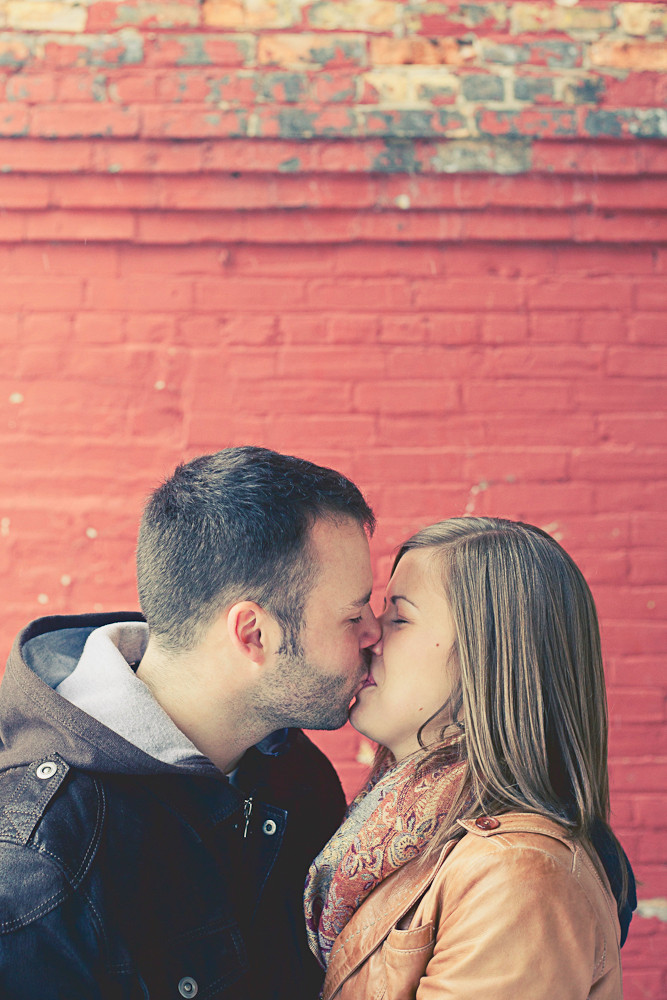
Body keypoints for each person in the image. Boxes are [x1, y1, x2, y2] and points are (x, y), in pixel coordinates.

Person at [0, 446, 381, 1000]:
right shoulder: (41, 866)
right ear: (253, 634)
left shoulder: (292, 769)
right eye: (354, 614)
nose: (374, 633)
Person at [305, 516, 635, 1000]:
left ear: (486, 654)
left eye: (399, 617)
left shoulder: (517, 876)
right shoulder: (401, 826)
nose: (370, 635)